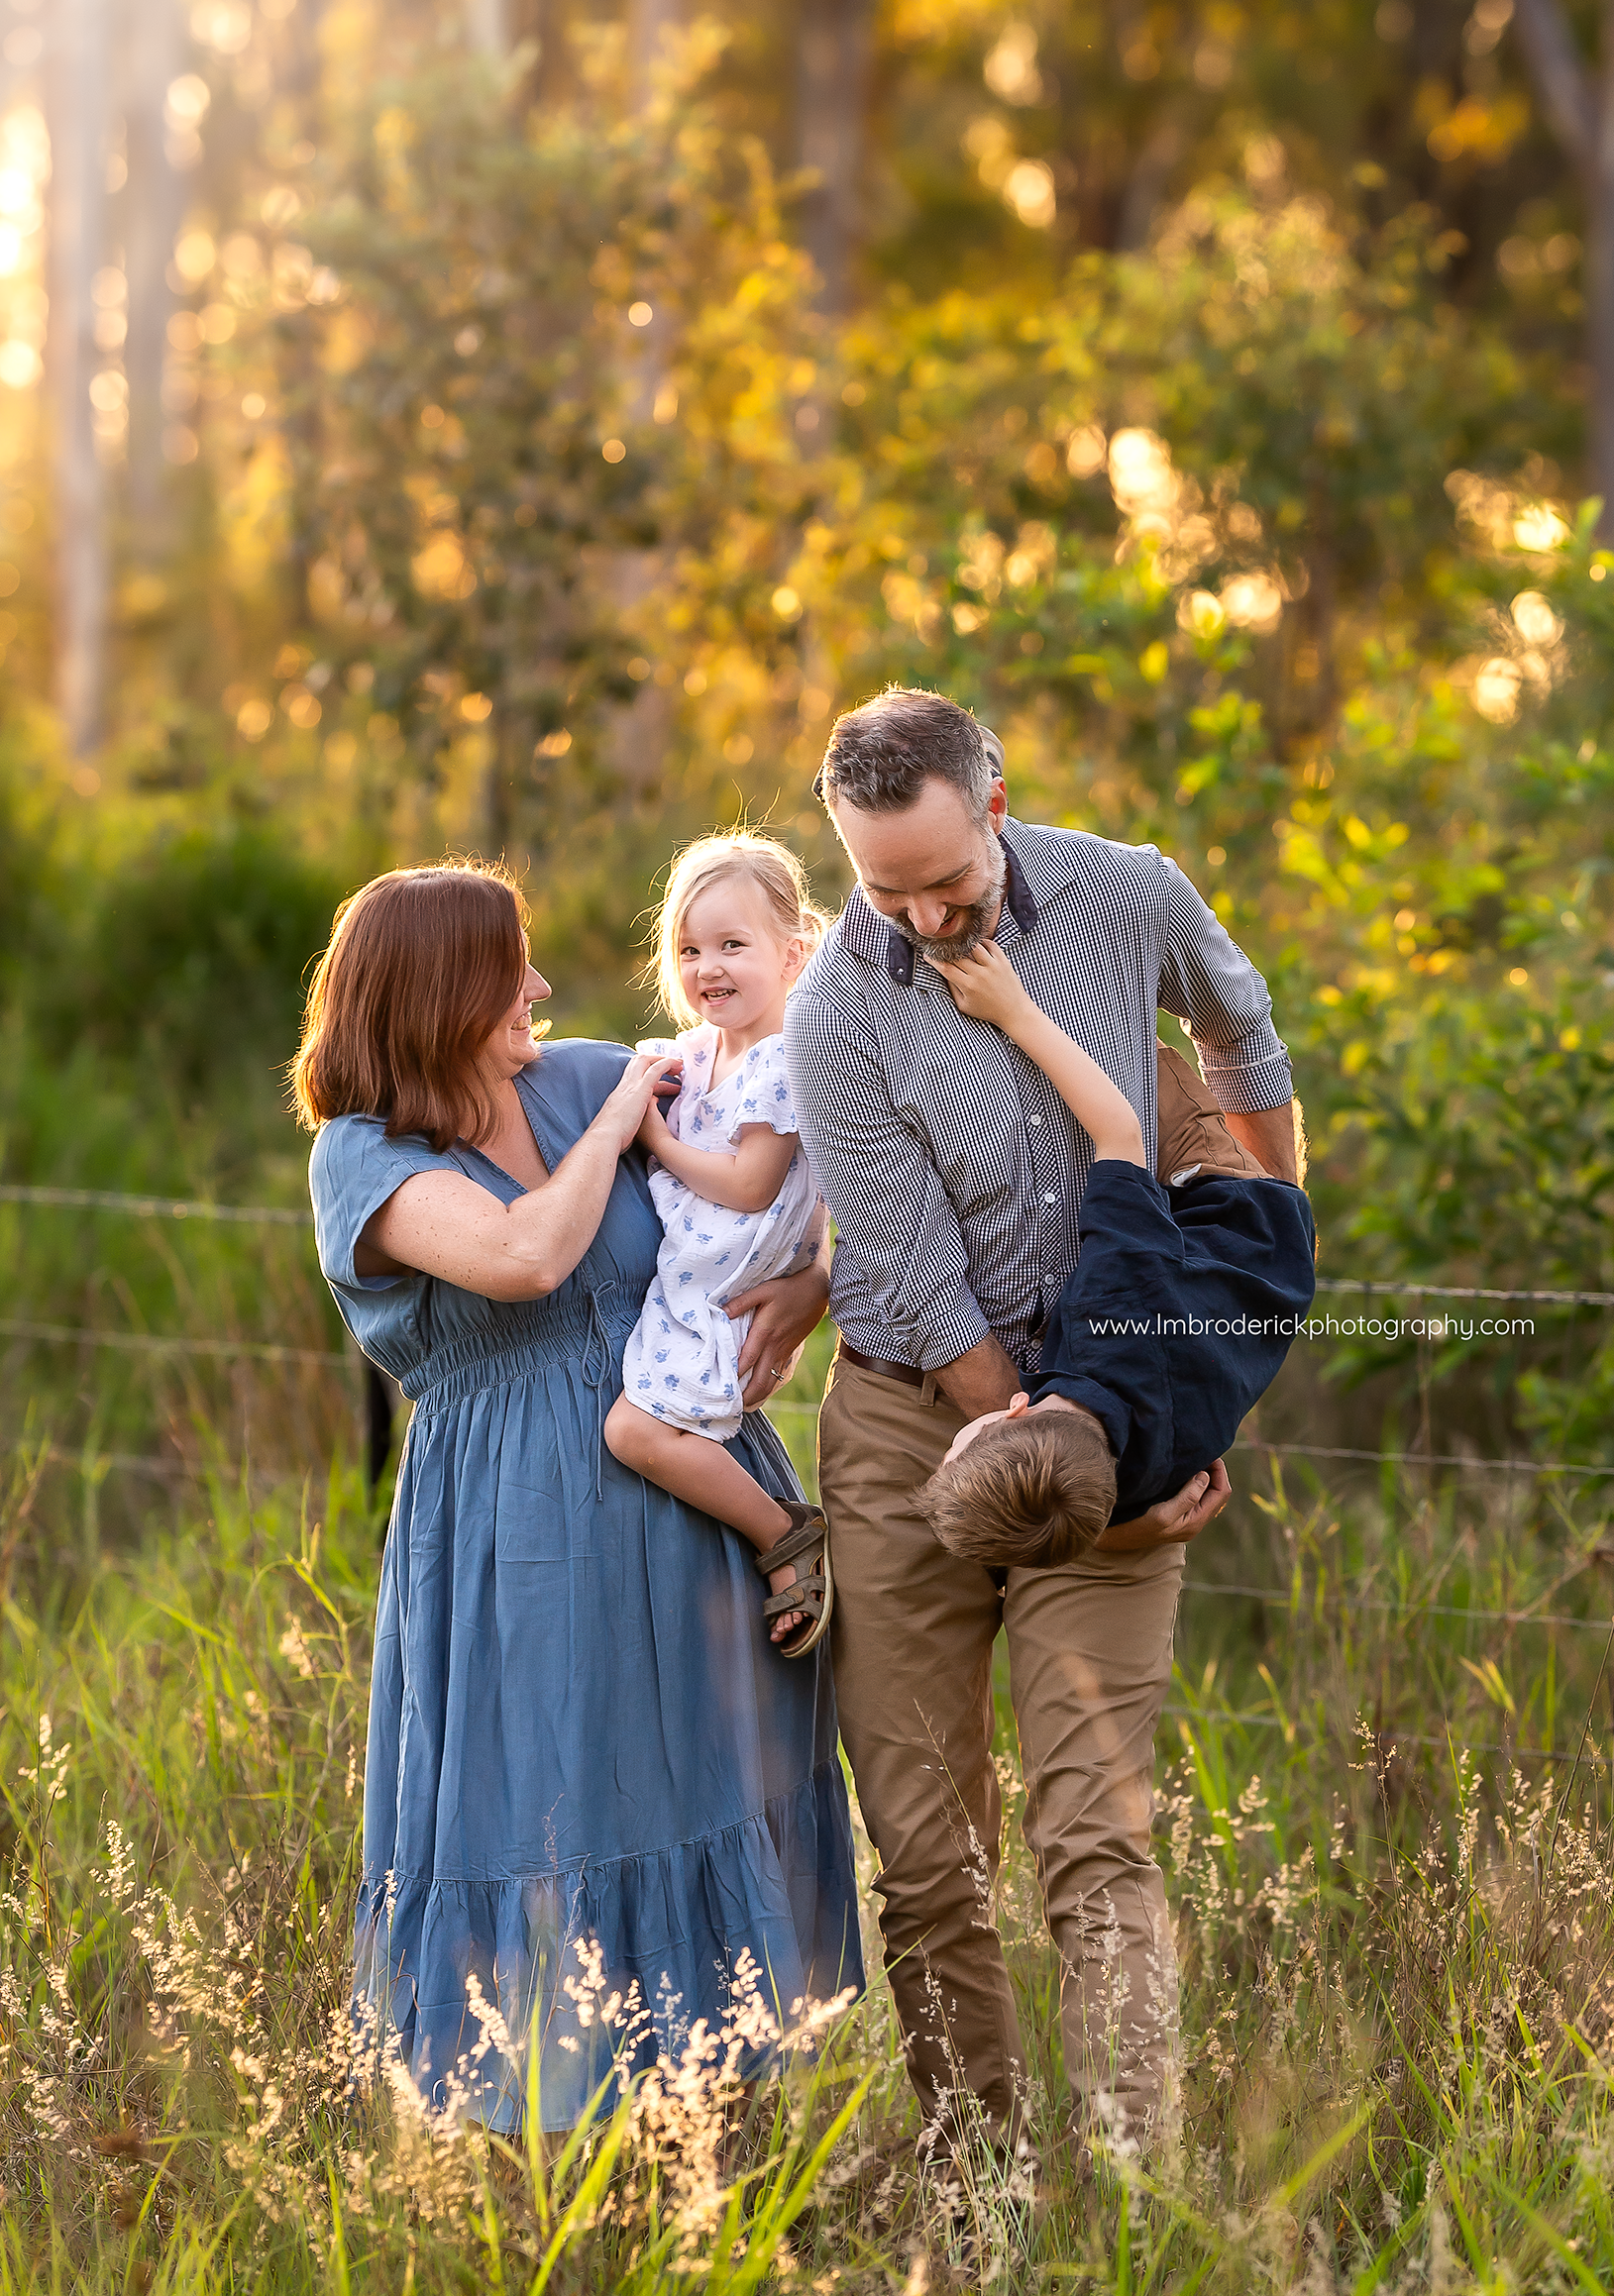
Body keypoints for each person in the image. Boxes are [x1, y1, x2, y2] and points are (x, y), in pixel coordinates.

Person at [784, 686, 1300, 2162]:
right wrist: (1084, 1475)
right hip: (912, 1427)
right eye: (885, 890)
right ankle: (982, 2198)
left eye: (946, 880)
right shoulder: (836, 1010)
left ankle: (1135, 2201)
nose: (924, 917)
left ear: (995, 797)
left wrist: (1242, 1287)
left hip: (1120, 1401)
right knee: (929, 1854)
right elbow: (932, 1299)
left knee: (1096, 1838)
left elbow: (1242, 1036)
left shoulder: (1128, 893)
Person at [291, 861, 862, 2131]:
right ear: (442, 994)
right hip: (521, 1534)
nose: (541, 988)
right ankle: (553, 2203)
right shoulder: (364, 1157)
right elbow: (524, 1255)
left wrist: (817, 1281)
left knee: (705, 1791)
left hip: (696, 1496)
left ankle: (725, 2173)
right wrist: (615, 1127)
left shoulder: (588, 1065)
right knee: (551, 1807)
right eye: (511, 969)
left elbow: (801, 1155)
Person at [914, 938, 1317, 1565]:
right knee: (1116, 1051)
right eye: (956, 1443)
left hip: (1263, 1301)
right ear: (1014, 1410)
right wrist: (1013, 1011)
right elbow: (1120, 1132)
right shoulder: (1107, 1311)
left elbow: (1099, 1523)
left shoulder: (1127, 1490)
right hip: (1239, 1215)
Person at [603, 835, 834, 1657]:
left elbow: (751, 1185)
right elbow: (665, 1069)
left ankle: (785, 1538)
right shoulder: (703, 1048)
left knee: (633, 1433)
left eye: (732, 945)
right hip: (691, 1276)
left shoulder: (783, 1060)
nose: (710, 968)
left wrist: (655, 1141)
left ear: (792, 953)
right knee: (653, 1431)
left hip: (724, 1288)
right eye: (690, 949)